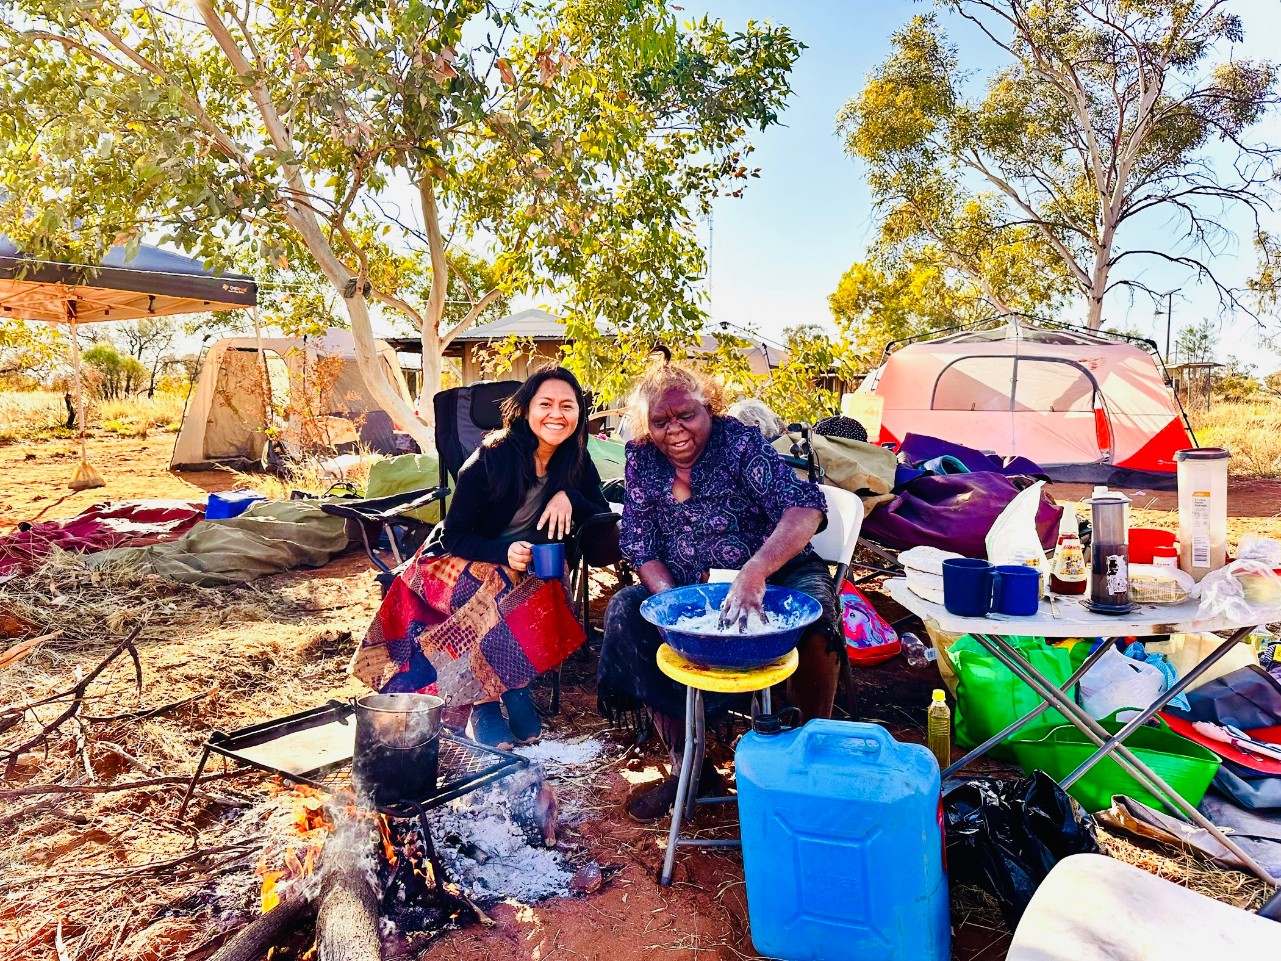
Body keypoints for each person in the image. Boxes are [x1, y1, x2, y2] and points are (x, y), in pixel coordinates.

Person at [597, 363, 841, 821]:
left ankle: (808, 759)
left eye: (685, 415)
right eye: (660, 421)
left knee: (816, 617)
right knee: (628, 612)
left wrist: (756, 570)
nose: (675, 430)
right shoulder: (641, 459)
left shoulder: (739, 442)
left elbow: (805, 508)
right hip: (694, 588)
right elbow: (639, 542)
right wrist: (669, 600)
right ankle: (690, 765)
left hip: (775, 572)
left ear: (708, 407)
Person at [352, 367, 609, 749]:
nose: (557, 414)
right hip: (452, 560)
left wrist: (570, 496)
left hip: (525, 565)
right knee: (497, 584)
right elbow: (455, 535)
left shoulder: (576, 460)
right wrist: (502, 551)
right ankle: (491, 702)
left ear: (579, 415)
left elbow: (601, 519)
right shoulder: (492, 457)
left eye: (567, 406)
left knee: (537, 583)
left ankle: (509, 692)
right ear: (525, 410)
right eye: (546, 404)